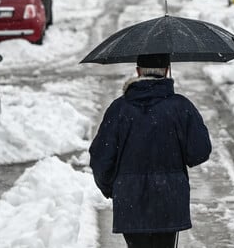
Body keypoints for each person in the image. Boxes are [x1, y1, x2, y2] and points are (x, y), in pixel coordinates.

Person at [89, 53, 212, 248]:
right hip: (169, 203)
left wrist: (114, 189)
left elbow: (100, 159)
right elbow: (199, 152)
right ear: (166, 71)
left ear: (138, 72)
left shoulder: (118, 109)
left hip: (130, 202)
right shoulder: (181, 107)